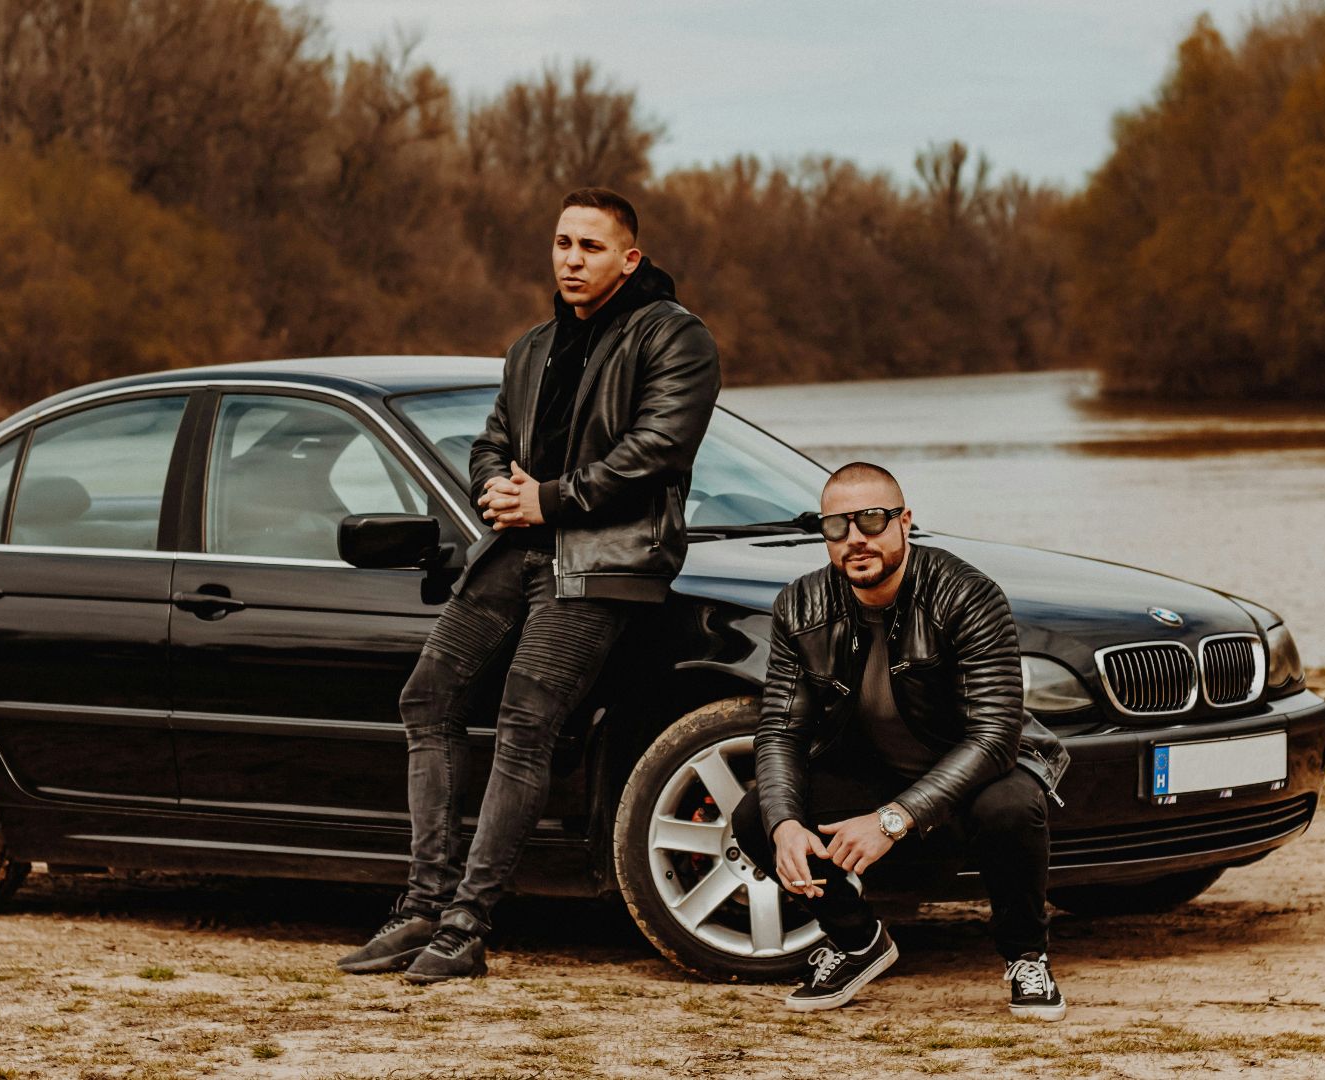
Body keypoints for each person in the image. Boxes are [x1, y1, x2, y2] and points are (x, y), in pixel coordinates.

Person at [338, 187, 721, 982]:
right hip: (516, 554)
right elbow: (490, 441)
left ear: (629, 258)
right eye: (561, 244)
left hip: (605, 561)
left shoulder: (675, 338)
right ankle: (420, 910)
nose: (572, 259)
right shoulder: (534, 346)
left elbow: (657, 449)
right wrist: (494, 488)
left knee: (524, 720)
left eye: (590, 246)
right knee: (428, 697)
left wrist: (548, 497)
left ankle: (467, 928)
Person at [730, 462, 1071, 1019]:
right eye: (837, 525)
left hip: (970, 772)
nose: (855, 538)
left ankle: (1025, 956)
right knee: (757, 815)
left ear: (905, 522)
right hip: (873, 768)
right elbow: (781, 731)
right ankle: (858, 942)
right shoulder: (801, 604)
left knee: (1013, 805)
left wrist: (894, 818)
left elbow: (994, 735)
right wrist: (785, 823)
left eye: (871, 519)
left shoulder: (967, 596)